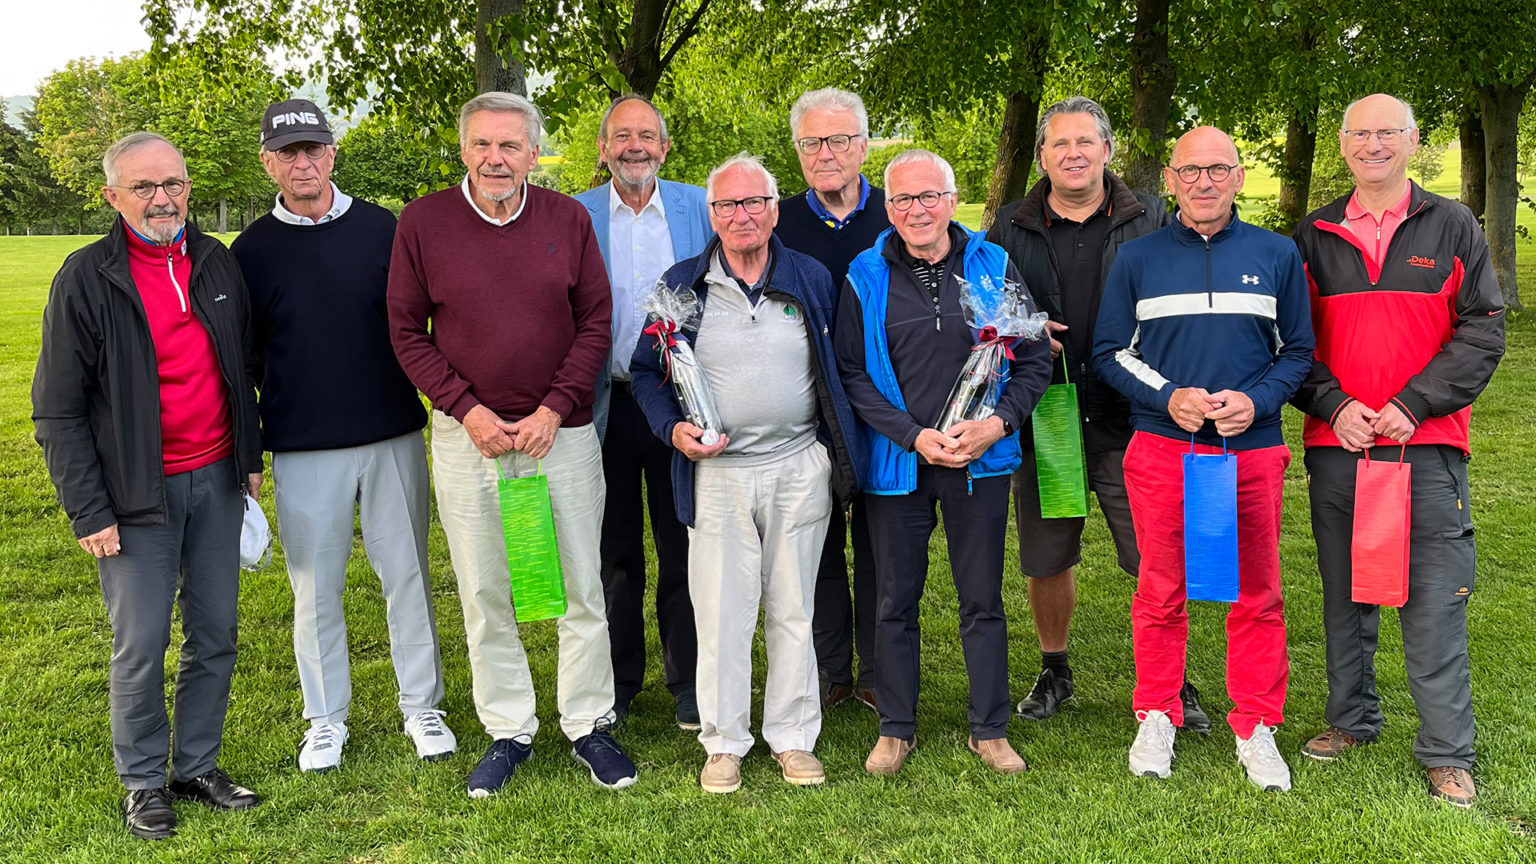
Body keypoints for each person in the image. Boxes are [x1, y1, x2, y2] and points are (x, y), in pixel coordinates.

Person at [387, 92, 636, 796]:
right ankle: (509, 728)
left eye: (511, 146)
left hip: (562, 434)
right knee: (486, 588)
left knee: (581, 587)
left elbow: (596, 319)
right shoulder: (424, 222)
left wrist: (556, 407)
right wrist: (467, 411)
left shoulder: (567, 218)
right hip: (471, 438)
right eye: (483, 145)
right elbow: (407, 331)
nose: (497, 158)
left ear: (534, 153)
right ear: (464, 150)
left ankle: (588, 722)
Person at [32, 132, 264, 839]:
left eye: (174, 183)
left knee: (216, 633)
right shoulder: (86, 277)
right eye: (144, 187)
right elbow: (57, 409)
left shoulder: (216, 262)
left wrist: (248, 458)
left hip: (217, 480)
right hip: (134, 499)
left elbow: (240, 366)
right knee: (141, 643)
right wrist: (87, 510)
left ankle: (196, 766)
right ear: (112, 196)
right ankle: (142, 782)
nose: (163, 199)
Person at [1292, 93, 1505, 808]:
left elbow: (1482, 329)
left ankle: (1446, 751)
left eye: (1389, 132)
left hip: (1427, 446)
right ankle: (1351, 720)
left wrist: (1413, 404)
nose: (1374, 143)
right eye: (1360, 133)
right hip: (1338, 444)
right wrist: (1334, 404)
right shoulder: (1314, 232)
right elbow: (1291, 343)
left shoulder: (1454, 225)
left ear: (1414, 141)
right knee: (1346, 592)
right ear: (1344, 144)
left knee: (1434, 598)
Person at [231, 98, 454, 774]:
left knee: (408, 577)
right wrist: (247, 453)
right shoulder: (250, 251)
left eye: (313, 149)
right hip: (302, 446)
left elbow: (418, 326)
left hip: (391, 434)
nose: (303, 162)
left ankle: (422, 707)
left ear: (333, 154)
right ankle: (325, 719)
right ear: (269, 163)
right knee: (315, 589)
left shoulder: (384, 229)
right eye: (288, 153)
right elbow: (243, 360)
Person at [631, 154, 863, 794]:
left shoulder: (810, 276)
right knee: (723, 612)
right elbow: (648, 374)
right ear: (711, 215)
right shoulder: (683, 283)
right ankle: (725, 743)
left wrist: (826, 453)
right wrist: (673, 430)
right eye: (728, 206)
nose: (742, 216)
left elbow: (839, 368)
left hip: (796, 466)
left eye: (754, 202)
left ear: (774, 209)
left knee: (794, 607)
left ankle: (792, 739)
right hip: (719, 474)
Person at [1092, 126, 1314, 791]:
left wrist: (1258, 400)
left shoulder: (1277, 254)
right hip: (1163, 447)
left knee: (1258, 592)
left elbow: (1297, 352)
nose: (1204, 183)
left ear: (1240, 178)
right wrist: (1169, 396)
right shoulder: (1138, 258)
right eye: (1190, 172)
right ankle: (1157, 711)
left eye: (1218, 170)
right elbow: (1108, 352)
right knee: (1160, 589)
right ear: (1170, 179)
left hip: (1250, 450)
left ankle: (1255, 722)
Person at [986, 97, 1208, 730]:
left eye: (1086, 141)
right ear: (1042, 157)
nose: (1074, 153)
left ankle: (1174, 678)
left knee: (1153, 553)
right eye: (1060, 144)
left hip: (1136, 418)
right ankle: (1055, 668)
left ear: (1108, 151)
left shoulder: (1154, 221)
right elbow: (982, 309)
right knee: (1048, 553)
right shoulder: (1008, 227)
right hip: (1049, 417)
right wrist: (1022, 333)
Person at [836, 149, 1052, 776]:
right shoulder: (864, 272)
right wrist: (910, 434)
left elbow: (1033, 358)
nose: (917, 209)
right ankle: (896, 727)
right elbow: (852, 372)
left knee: (981, 597)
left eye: (929, 196)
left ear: (953, 200)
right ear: (888, 208)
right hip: (900, 463)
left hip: (978, 462)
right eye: (903, 199)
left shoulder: (994, 263)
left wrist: (996, 424)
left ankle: (989, 728)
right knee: (894, 599)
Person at [574, 94, 711, 731]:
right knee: (613, 549)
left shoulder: (698, 207)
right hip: (606, 403)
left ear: (664, 146)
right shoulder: (575, 214)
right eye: (622, 135)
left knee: (684, 539)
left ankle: (688, 680)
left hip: (683, 402)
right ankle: (621, 680)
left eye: (647, 136)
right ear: (603, 148)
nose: (635, 146)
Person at [775, 87, 892, 711]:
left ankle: (876, 671)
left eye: (840, 140)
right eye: (812, 142)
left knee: (879, 543)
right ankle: (829, 670)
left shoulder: (895, 213)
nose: (826, 153)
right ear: (797, 151)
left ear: (864, 146)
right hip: (805, 412)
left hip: (885, 411)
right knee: (813, 545)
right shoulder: (778, 220)